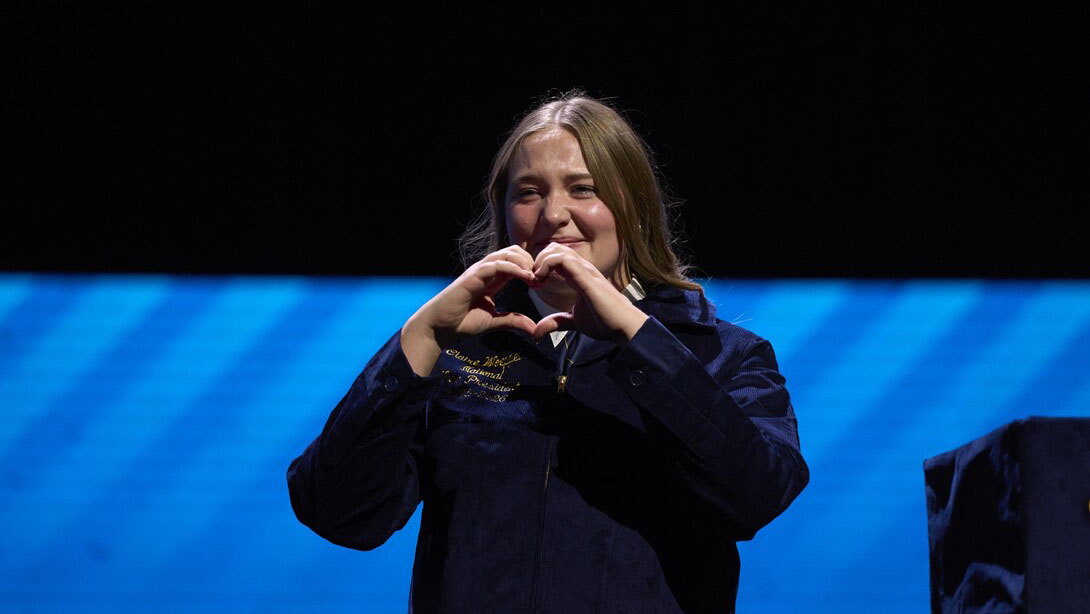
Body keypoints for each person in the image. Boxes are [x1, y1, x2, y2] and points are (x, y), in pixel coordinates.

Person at [287, 92, 808, 613]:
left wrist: (639, 341)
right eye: (528, 192)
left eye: (584, 189)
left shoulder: (724, 354)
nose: (553, 214)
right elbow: (337, 512)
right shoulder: (453, 353)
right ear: (503, 211)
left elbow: (757, 495)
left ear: (635, 206)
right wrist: (421, 337)